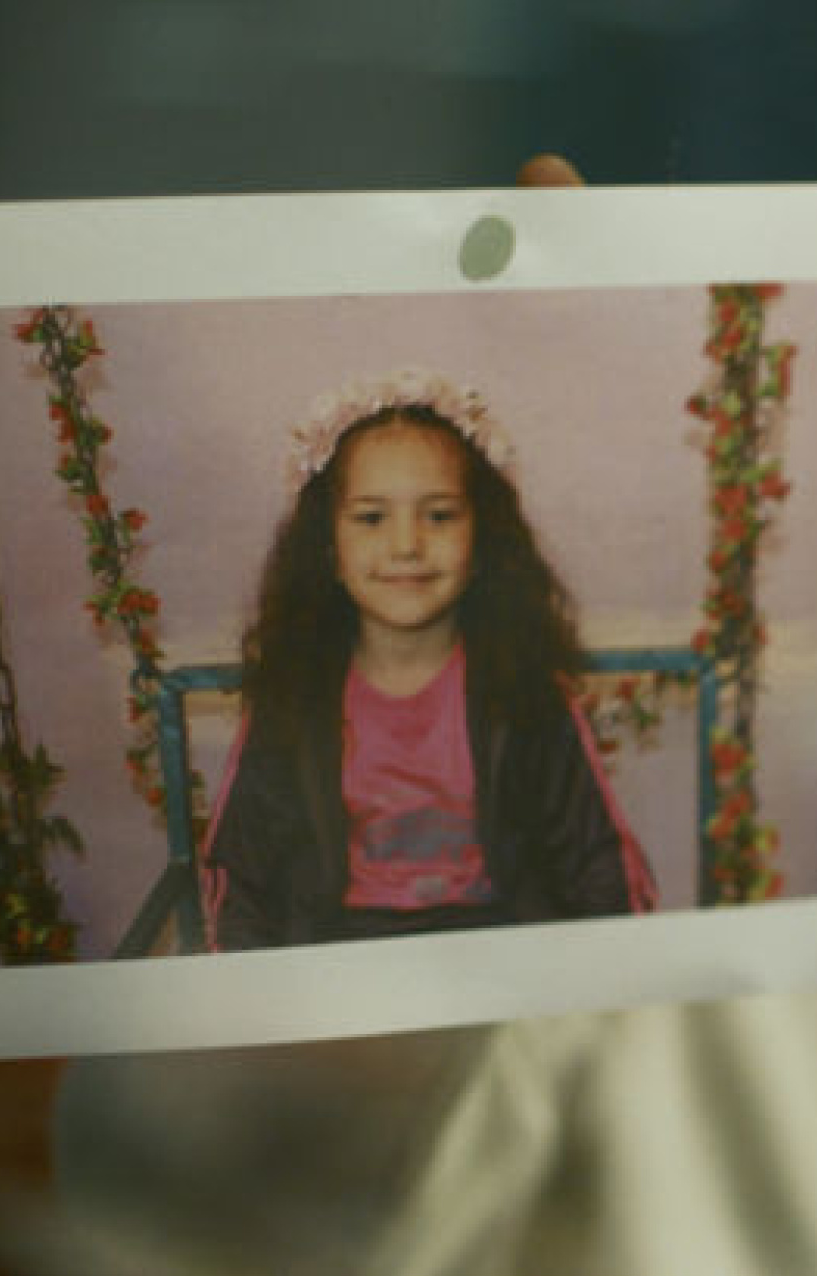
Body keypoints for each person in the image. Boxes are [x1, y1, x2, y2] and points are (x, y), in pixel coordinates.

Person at [200, 368, 656, 950]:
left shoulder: (527, 692)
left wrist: (606, 977)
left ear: (482, 539)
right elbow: (241, 881)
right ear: (328, 549)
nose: (407, 545)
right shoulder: (292, 700)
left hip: (501, 953)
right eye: (371, 518)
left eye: (439, 515)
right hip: (342, 960)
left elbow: (598, 865)